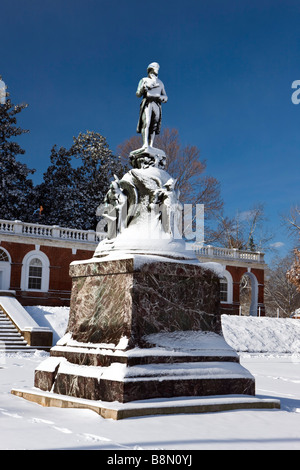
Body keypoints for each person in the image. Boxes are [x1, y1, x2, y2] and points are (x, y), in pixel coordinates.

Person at [136, 62, 168, 149]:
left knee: (154, 125)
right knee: (146, 122)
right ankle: (145, 143)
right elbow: (138, 94)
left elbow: (165, 96)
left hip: (157, 104)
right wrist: (144, 88)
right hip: (148, 102)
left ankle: (151, 144)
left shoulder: (160, 83)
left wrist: (161, 97)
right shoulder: (144, 80)